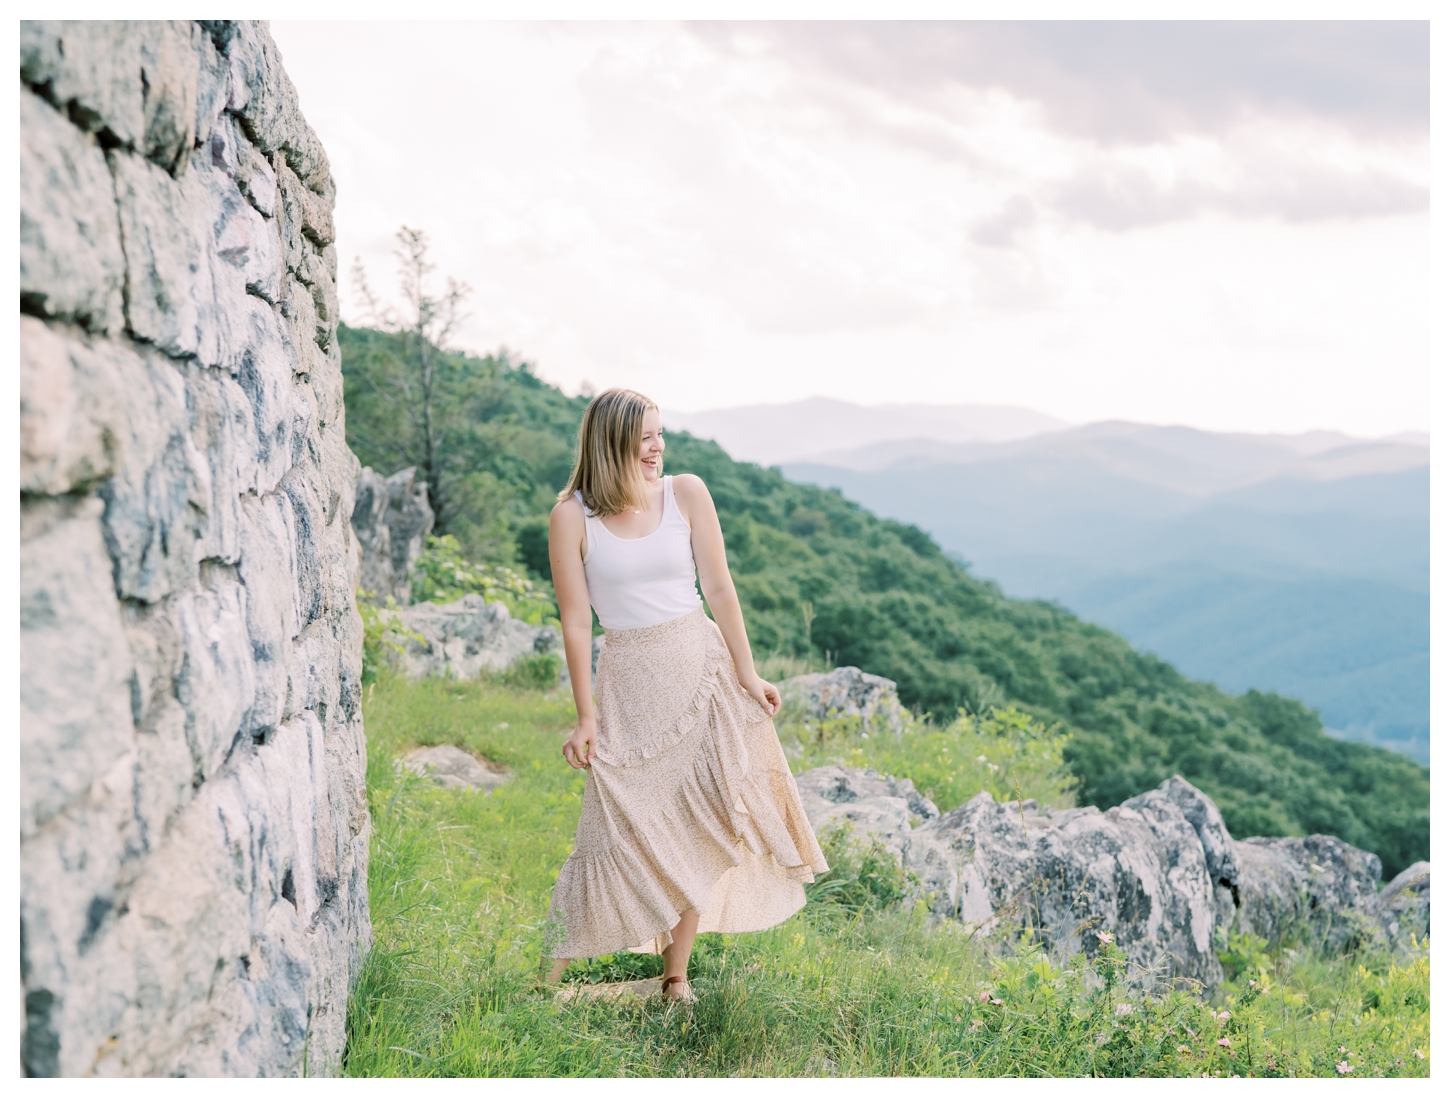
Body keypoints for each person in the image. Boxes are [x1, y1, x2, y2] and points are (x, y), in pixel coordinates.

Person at [541, 388, 828, 1002]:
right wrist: (585, 715)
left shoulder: (686, 493)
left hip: (702, 674)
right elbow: (575, 620)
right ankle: (543, 989)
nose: (658, 449)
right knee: (609, 829)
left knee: (700, 822)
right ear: (611, 442)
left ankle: (676, 978)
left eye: (660, 435)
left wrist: (749, 674)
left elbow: (720, 589)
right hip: (629, 685)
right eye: (646, 438)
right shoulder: (572, 517)